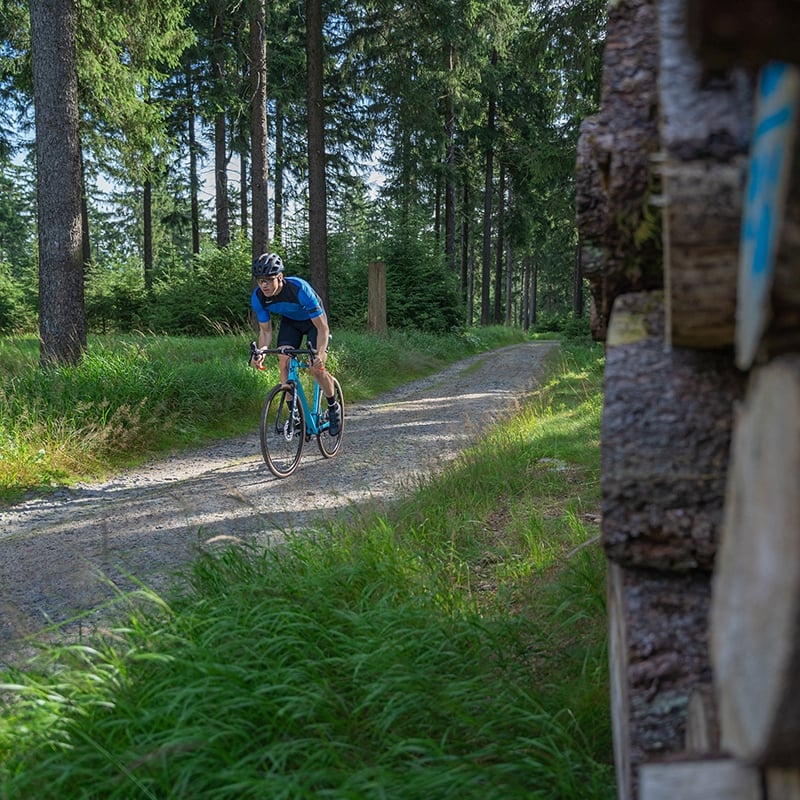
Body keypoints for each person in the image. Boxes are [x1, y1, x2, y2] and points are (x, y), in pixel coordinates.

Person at [249, 252, 341, 437]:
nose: (264, 285)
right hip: (291, 323)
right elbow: (265, 331)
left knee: (316, 369)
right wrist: (262, 351)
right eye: (260, 280)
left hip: (314, 323)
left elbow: (323, 329)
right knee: (284, 361)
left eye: (268, 279)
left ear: (280, 277)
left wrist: (320, 356)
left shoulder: (299, 289)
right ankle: (296, 416)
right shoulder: (258, 297)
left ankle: (333, 405)